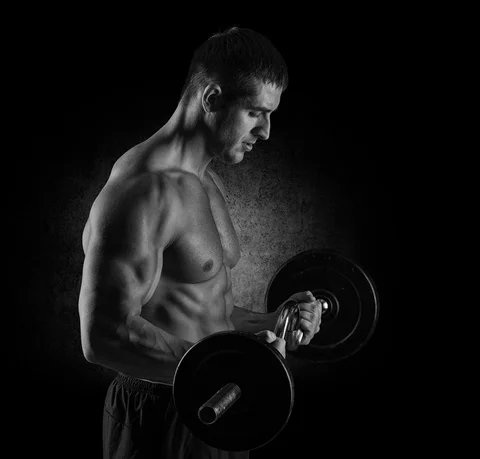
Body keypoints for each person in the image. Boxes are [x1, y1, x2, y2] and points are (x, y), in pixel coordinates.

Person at [77, 26, 322, 459]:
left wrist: (271, 322)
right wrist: (228, 366)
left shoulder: (205, 182)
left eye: (270, 115)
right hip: (159, 410)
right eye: (254, 113)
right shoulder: (145, 190)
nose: (265, 131)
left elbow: (211, 310)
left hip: (221, 396)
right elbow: (103, 335)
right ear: (211, 98)